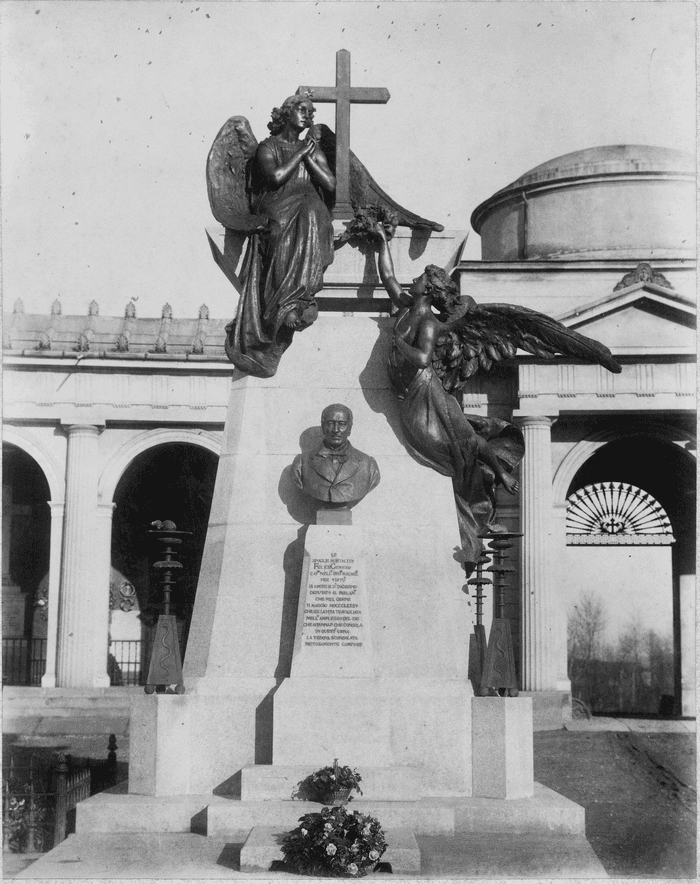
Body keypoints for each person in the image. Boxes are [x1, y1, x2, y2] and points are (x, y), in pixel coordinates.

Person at [373, 224, 523, 574]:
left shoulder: (427, 323)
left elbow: (423, 359)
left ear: (429, 288)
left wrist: (396, 344)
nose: (412, 282)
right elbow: (389, 280)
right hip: (412, 392)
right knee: (457, 444)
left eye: (420, 279)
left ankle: (497, 475)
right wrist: (381, 243)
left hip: (425, 392)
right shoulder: (409, 307)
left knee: (455, 446)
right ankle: (486, 486)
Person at [226, 95, 336, 378]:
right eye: (302, 111)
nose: (308, 116)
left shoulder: (311, 148)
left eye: (311, 113)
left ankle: (298, 299)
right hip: (278, 203)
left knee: (315, 212)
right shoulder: (268, 146)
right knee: (279, 228)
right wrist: (300, 156)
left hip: (307, 200)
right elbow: (274, 178)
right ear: (286, 114)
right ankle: (279, 305)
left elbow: (331, 183)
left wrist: (310, 160)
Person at [292, 404, 380, 505]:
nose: (336, 430)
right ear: (323, 426)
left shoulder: (368, 464)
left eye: (342, 424)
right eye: (330, 423)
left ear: (350, 428)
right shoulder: (301, 463)